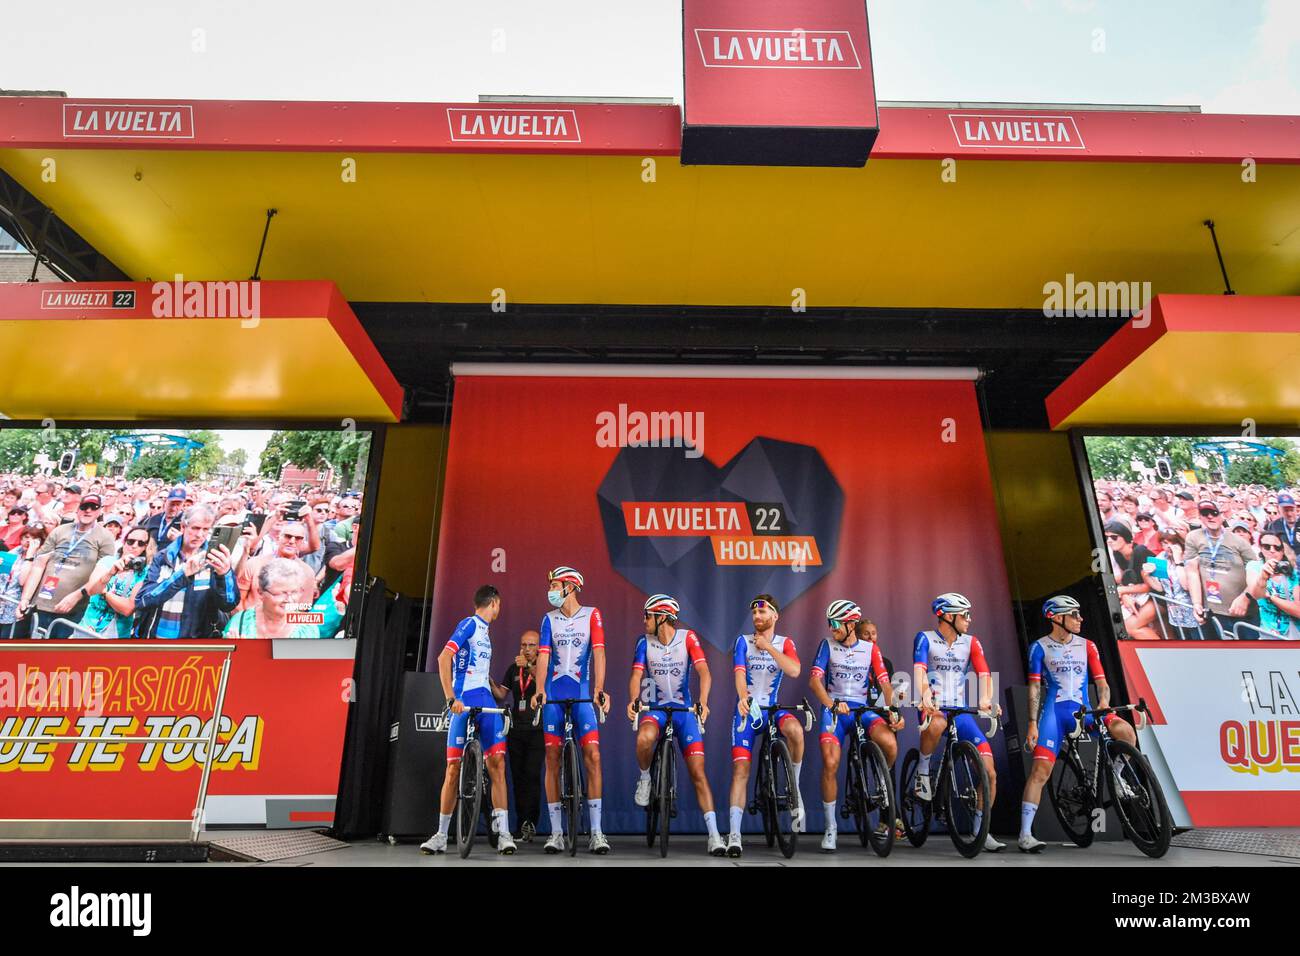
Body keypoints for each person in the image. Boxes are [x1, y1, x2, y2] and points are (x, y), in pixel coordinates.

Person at [1018, 595, 1140, 852]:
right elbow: (1034, 688)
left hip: (1086, 710)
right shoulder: (1039, 647)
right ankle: (1025, 834)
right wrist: (1032, 723)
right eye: (1074, 614)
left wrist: (1104, 702)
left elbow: (1103, 684)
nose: (1080, 619)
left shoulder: (1088, 645)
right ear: (1057, 618)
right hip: (1055, 713)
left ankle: (1117, 777)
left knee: (1126, 732)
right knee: (1040, 772)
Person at [626, 593, 725, 856]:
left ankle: (714, 835)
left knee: (698, 774)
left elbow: (704, 672)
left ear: (662, 618)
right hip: (656, 709)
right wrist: (633, 700)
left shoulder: (687, 638)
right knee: (644, 738)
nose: (643, 620)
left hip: (684, 711)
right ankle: (646, 778)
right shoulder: (644, 642)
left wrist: (703, 701)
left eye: (647, 615)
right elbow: (636, 675)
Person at [421, 585, 515, 856]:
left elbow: (478, 671)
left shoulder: (486, 633)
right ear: (494, 602)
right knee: (452, 770)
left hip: (485, 700)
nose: (500, 609)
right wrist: (451, 698)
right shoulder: (470, 624)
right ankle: (440, 835)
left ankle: (505, 834)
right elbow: (443, 658)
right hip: (463, 700)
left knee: (497, 764)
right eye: (500, 605)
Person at [913, 592, 1004, 852]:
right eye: (965, 615)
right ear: (949, 616)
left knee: (990, 773)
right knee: (938, 724)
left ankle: (980, 831)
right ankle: (922, 772)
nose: (969, 619)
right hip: (934, 707)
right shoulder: (925, 638)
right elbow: (919, 669)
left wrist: (986, 699)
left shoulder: (972, 642)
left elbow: (984, 674)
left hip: (961, 710)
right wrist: (925, 693)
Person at [811, 599, 903, 852]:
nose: (832, 629)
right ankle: (831, 828)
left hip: (863, 710)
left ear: (851, 624)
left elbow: (885, 682)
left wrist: (892, 709)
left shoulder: (870, 649)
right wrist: (830, 704)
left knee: (890, 745)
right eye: (829, 623)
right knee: (830, 763)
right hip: (836, 711)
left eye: (835, 623)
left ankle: (880, 782)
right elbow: (815, 680)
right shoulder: (827, 645)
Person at [529, 566, 610, 853]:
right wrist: (539, 689)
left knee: (594, 757)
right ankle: (556, 833)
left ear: (571, 586)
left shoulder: (592, 614)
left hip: (582, 695)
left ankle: (597, 832)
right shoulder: (548, 619)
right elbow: (543, 656)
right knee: (552, 758)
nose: (550, 590)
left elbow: (599, 653)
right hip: (553, 695)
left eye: (555, 584)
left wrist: (599, 688)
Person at [726, 594, 806, 857]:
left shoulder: (785, 643)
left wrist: (770, 648)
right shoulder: (742, 642)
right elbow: (739, 673)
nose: (757, 617)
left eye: (763, 613)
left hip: (773, 709)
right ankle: (735, 835)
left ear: (775, 616)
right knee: (741, 769)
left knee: (795, 730)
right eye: (754, 614)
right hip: (749, 710)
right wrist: (742, 698)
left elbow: (794, 670)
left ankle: (794, 787)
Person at [17, 493, 117, 638]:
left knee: (57, 655)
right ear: (78, 509)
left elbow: (102, 576)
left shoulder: (105, 537)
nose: (88, 510)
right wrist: (25, 599)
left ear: (100, 511)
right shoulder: (60, 530)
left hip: (73, 610)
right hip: (44, 602)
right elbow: (39, 565)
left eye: (93, 507)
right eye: (84, 506)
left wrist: (77, 596)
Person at [134, 505, 238, 639]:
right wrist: (182, 575)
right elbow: (143, 601)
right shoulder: (162, 557)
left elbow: (229, 604)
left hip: (193, 644)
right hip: (156, 638)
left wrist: (225, 574)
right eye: (195, 528)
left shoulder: (213, 559)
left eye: (205, 529)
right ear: (183, 527)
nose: (200, 535)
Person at [494, 630, 545, 842]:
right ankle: (520, 825)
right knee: (517, 778)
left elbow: (546, 685)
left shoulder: (543, 666)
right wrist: (485, 678)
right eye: (524, 644)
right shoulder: (513, 668)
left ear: (539, 648)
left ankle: (531, 823)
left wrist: (530, 668)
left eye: (531, 645)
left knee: (532, 775)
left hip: (538, 729)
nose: (526, 649)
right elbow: (500, 694)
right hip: (515, 730)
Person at [1184, 501, 1259, 640]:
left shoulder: (1240, 541)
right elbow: (1192, 572)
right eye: (1205, 514)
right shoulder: (1193, 537)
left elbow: (1256, 575)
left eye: (1214, 513)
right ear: (1200, 517)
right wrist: (1197, 604)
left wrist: (1245, 598)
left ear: (1222, 515)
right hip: (1212, 611)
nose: (1210, 517)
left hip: (1242, 613)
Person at [78, 527, 151, 638]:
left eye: (140, 543)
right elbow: (91, 590)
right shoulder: (107, 561)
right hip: (88, 625)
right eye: (131, 541)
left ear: (145, 547)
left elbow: (127, 609)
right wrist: (110, 573)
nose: (134, 546)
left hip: (117, 633)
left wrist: (104, 591)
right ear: (124, 541)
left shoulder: (145, 572)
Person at [223, 558, 321, 638]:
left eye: (295, 592)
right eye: (281, 593)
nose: (290, 600)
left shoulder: (308, 628)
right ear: (261, 593)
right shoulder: (241, 622)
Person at [1105, 520, 1160, 641]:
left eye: (1114, 537)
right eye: (1107, 538)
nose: (1109, 541)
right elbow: (1125, 580)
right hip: (1143, 596)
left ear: (1125, 536)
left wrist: (1122, 590)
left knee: (1132, 627)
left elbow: (1149, 585)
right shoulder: (1117, 553)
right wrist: (1124, 595)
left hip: (1161, 597)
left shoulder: (1139, 551)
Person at [1140, 530, 1200, 639]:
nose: (1169, 547)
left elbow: (1186, 586)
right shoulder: (1161, 558)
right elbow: (1160, 587)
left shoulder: (1188, 557)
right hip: (1174, 611)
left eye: (1173, 543)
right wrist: (1146, 575)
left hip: (1192, 610)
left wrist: (1178, 561)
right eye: (1165, 543)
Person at [1246, 532, 1300, 639]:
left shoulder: (1290, 571)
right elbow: (1256, 594)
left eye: (1277, 547)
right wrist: (1263, 576)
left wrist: (1272, 597)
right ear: (1260, 548)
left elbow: (1298, 611)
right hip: (1268, 633)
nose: (1272, 550)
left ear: (1282, 551)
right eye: (1267, 546)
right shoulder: (1254, 567)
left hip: (1293, 633)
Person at [0, 526, 46, 638]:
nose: (28, 541)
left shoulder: (39, 558)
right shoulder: (14, 552)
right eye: (26, 537)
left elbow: (22, 581)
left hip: (16, 609)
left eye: (34, 538)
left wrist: (30, 555)